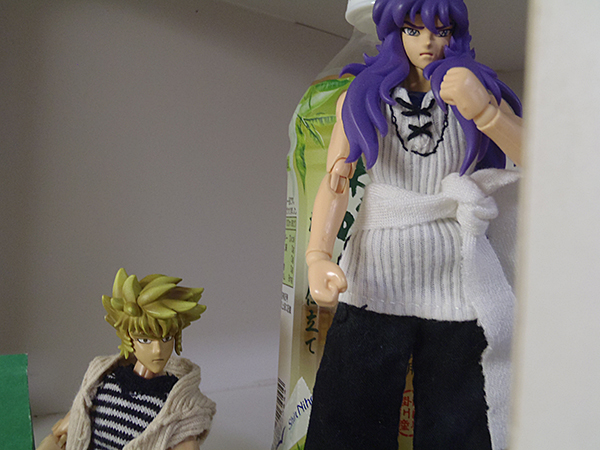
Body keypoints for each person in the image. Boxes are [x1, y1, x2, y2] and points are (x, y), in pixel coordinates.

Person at [304, 0, 522, 449]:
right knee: (349, 409)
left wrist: (487, 112)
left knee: (459, 418)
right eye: (412, 29)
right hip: (377, 271)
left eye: (440, 31)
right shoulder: (363, 96)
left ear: (455, 34)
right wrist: (317, 254)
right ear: (393, 33)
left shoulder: (475, 93)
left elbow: (542, 158)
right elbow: (335, 182)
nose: (427, 42)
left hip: (455, 275)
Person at [37, 268, 216, 450]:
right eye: (145, 340)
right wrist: (70, 426)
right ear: (128, 339)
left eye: (166, 338)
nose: (157, 350)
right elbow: (76, 421)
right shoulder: (103, 381)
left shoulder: (176, 404)